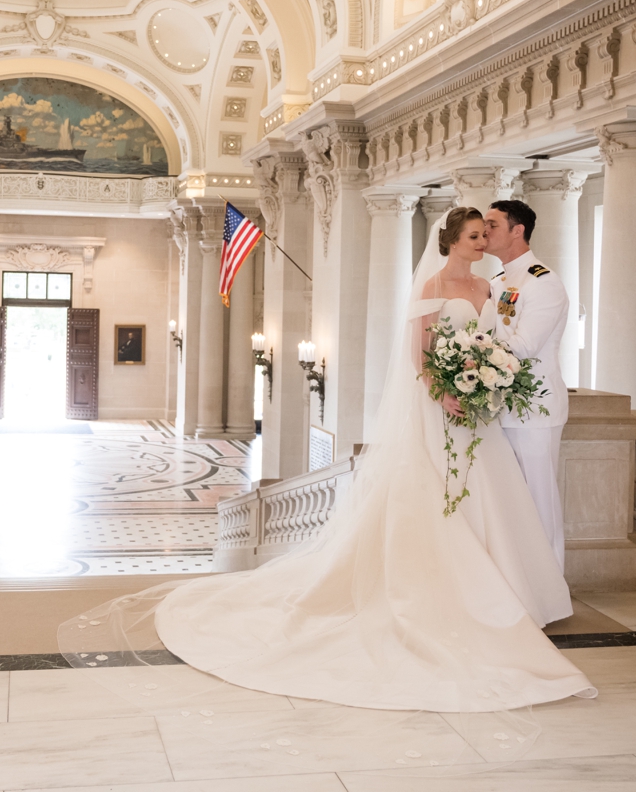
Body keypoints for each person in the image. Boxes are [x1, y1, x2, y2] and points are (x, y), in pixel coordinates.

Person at [134, 206, 593, 713]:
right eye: (475, 235)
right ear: (452, 241)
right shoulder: (433, 286)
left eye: (487, 233)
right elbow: (418, 351)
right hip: (445, 402)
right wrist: (442, 390)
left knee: (498, 496)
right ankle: (446, 594)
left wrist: (482, 376)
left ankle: (512, 592)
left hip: (484, 410)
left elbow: (504, 340)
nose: (483, 241)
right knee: (441, 494)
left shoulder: (494, 287)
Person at [485, 200, 569, 570]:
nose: (484, 231)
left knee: (539, 502)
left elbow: (524, 345)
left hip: (535, 407)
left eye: (492, 224)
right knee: (508, 503)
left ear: (517, 230)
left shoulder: (543, 281)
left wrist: (470, 353)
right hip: (499, 405)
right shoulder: (499, 282)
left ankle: (549, 585)